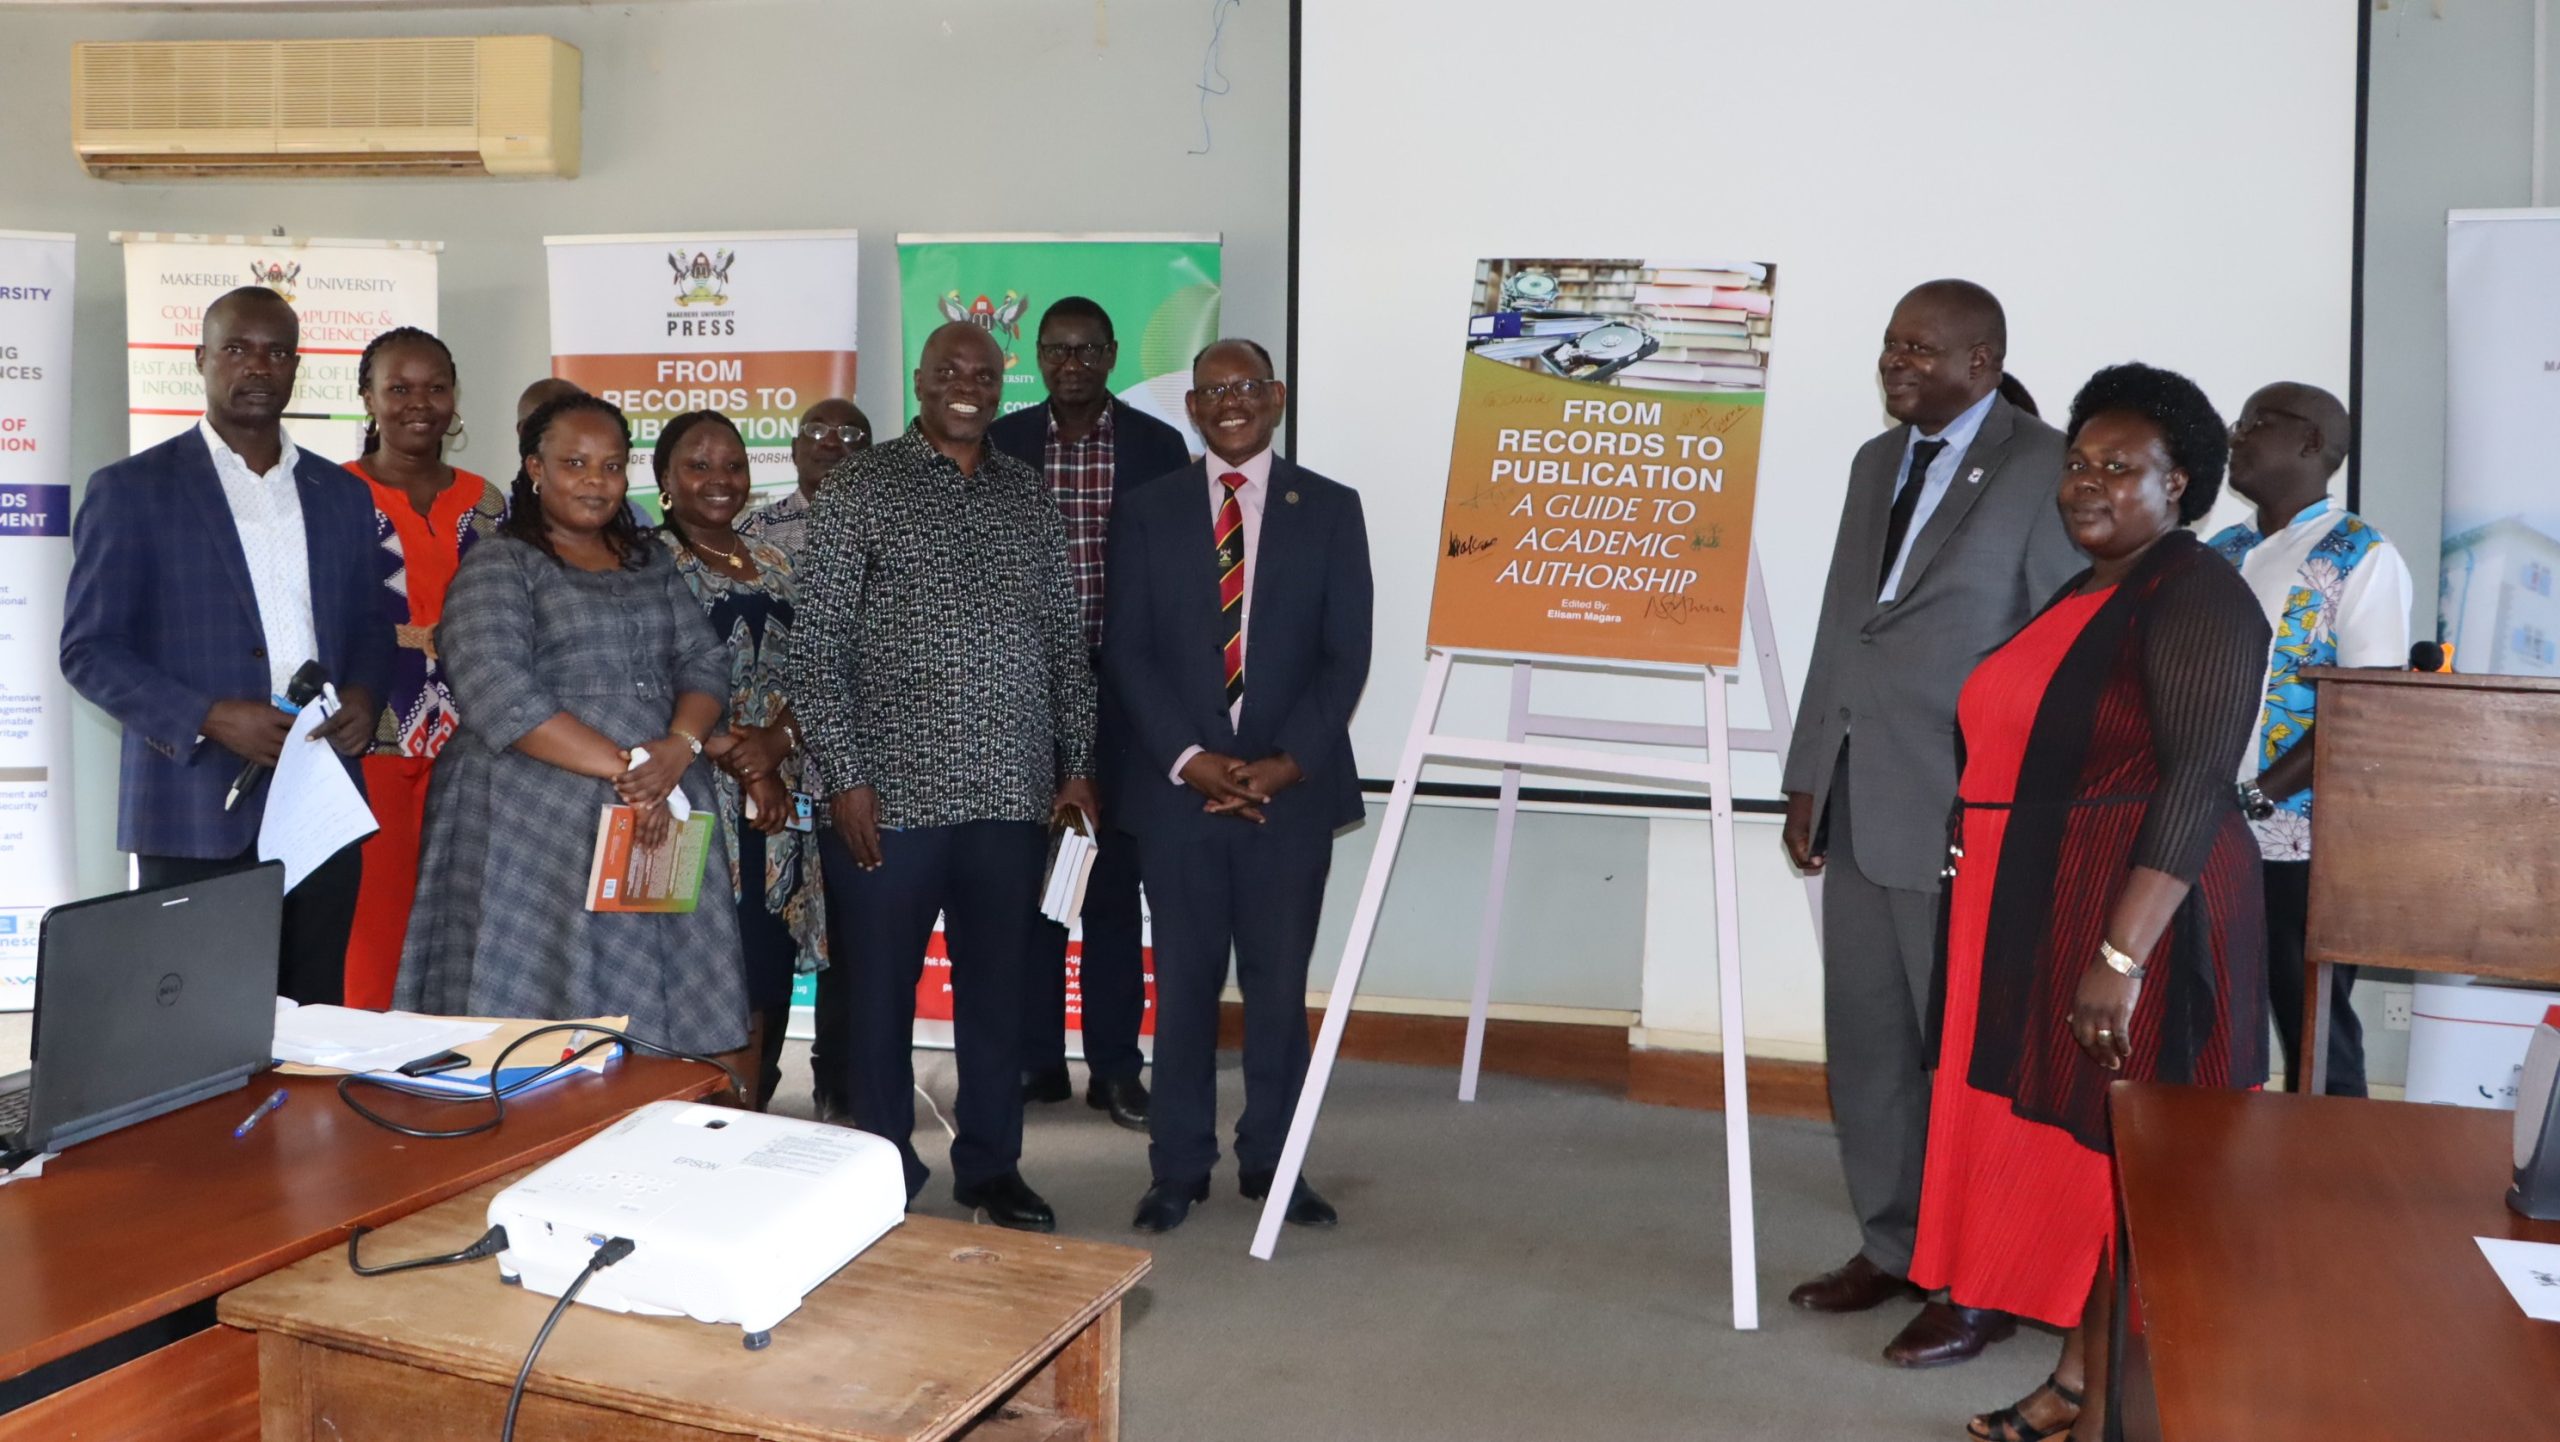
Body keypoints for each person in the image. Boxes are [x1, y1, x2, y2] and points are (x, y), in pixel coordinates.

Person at [1912, 363, 2269, 1442]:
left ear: (2182, 486)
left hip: (2143, 908)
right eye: (2077, 462)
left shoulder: (2197, 591)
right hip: (2051, 897)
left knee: (2133, 1163)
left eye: (2121, 467)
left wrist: (2119, 955)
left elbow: (2196, 776)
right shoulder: (2089, 586)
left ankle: (2115, 1400)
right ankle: (2080, 1379)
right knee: (2088, 1160)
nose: (2086, 483)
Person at [1780, 279, 2083, 1366]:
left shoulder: (2047, 464)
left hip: (1969, 807)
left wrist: (2029, 799)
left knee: (1959, 1052)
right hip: (1862, 791)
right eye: (1888, 346)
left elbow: (2062, 640)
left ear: (1982, 362)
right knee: (1866, 1039)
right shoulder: (1876, 463)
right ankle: (1893, 1243)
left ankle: (1975, 1278)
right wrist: (1809, 769)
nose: (1894, 364)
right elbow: (1842, 625)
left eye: (1919, 348)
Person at [790, 322, 1098, 1232]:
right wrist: (845, 777)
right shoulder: (860, 488)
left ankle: (992, 1166)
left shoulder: (1029, 497)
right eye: (950, 372)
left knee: (999, 994)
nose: (969, 386)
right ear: (919, 382)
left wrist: (1077, 769)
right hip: (891, 799)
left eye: (985, 374)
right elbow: (818, 652)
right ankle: (885, 1164)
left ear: (1002, 388)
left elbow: (1064, 650)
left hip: (1010, 793)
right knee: (880, 996)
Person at [1103, 339, 1373, 1234]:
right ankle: (1177, 1167)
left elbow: (1346, 656)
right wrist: (1193, 760)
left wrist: (1283, 764)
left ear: (1277, 398)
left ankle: (1276, 1164)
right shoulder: (1145, 511)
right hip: (1178, 793)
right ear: (1190, 406)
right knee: (1181, 991)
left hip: (1290, 797)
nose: (1231, 404)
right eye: (1213, 392)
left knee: (1275, 989)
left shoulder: (1331, 509)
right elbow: (1128, 652)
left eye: (1247, 388)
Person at [60, 286, 391, 1004]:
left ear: (297, 367)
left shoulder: (342, 494)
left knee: (314, 1020)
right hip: (192, 802)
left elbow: (370, 625)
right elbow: (89, 649)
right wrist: (210, 716)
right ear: (200, 360)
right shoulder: (132, 489)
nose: (257, 366)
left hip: (319, 794)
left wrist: (365, 696)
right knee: (198, 1028)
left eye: (276, 352)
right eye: (237, 348)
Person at [395, 394, 747, 1059]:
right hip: (534, 825)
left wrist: (680, 746)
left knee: (655, 1029)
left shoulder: (650, 561)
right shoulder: (502, 563)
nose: (596, 481)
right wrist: (630, 773)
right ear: (535, 468)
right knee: (537, 1030)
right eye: (575, 463)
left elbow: (703, 658)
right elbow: (496, 689)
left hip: (655, 806)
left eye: (612, 466)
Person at [990, 297, 1192, 1132]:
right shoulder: (1001, 444)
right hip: (1018, 695)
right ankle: (1036, 1059)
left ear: (1110, 355)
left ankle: (1115, 1067)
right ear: (1036, 358)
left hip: (1123, 697)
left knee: (1111, 889)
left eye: (1085, 351)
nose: (1070, 365)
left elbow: (1179, 578)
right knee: (1021, 883)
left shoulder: (1157, 446)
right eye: (1055, 351)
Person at [2207, 383, 2410, 1098]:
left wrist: (2261, 793)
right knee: (2209, 1018)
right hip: (2208, 830)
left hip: (2305, 839)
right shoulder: (2221, 551)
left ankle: (2333, 1193)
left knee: (2313, 1030)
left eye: (2258, 422)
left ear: (2312, 443)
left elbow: (2367, 705)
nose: (2237, 435)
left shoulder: (2360, 553)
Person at [654, 408, 827, 1108]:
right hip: (687, 793)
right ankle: (685, 1123)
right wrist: (738, 754)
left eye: (732, 465)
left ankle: (750, 1108)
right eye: (698, 465)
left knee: (767, 962)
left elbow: (821, 666)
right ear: (664, 480)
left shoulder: (780, 560)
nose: (720, 479)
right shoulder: (644, 563)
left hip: (779, 802)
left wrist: (775, 746)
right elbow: (640, 677)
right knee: (689, 967)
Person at [340, 326, 508, 1009]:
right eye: (399, 388)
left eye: (436, 387)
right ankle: (361, 1072)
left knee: (467, 909)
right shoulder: (329, 494)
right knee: (372, 922)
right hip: (369, 733)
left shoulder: (491, 503)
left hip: (476, 740)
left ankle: (450, 1069)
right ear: (368, 398)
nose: (420, 404)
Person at [739, 397, 870, 562]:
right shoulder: (756, 527)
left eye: (848, 434)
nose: (830, 442)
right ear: (794, 450)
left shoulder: (888, 529)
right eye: (815, 430)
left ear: (869, 455)